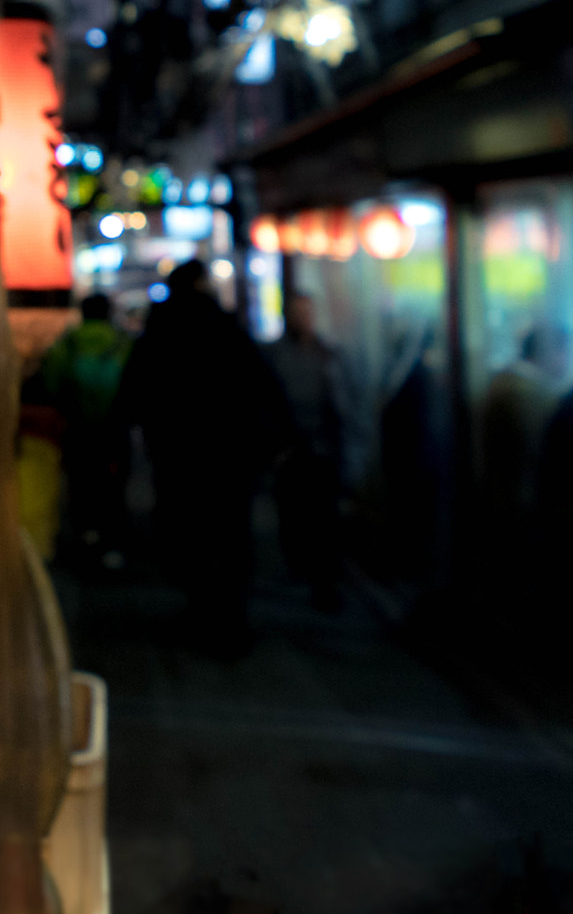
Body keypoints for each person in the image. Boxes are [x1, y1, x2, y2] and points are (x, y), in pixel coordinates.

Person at [116, 259, 289, 655]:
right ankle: (231, 620)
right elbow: (263, 383)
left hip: (178, 454)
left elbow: (134, 389)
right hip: (231, 454)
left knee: (189, 533)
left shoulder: (160, 331)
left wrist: (128, 429)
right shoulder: (225, 328)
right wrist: (280, 437)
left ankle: (201, 612)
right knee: (231, 535)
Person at [39, 293, 133, 572]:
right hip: (114, 429)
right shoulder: (122, 343)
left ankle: (85, 536)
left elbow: (52, 383)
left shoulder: (67, 343)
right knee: (113, 487)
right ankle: (111, 544)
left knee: (81, 483)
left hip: (77, 427)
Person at [264, 292, 346, 612]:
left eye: (306, 312)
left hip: (323, 450)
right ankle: (301, 568)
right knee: (293, 513)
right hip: (291, 450)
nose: (302, 318)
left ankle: (324, 583)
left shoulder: (327, 354)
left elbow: (342, 405)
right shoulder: (275, 355)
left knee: (324, 519)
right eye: (296, 313)